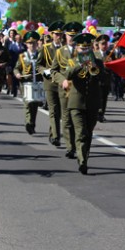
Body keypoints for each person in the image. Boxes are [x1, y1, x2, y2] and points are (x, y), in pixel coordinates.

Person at [60, 33, 103, 174]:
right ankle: (82, 160)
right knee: (81, 132)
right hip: (76, 103)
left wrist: (97, 66)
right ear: (77, 49)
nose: (85, 52)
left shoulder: (98, 61)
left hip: (93, 103)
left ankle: (83, 155)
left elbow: (105, 79)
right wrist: (81, 64)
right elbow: (68, 74)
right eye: (82, 49)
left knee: (88, 132)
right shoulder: (72, 62)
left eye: (87, 49)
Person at [51, 21, 84, 159]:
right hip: (65, 89)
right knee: (66, 118)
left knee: (78, 120)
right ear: (65, 36)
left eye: (74, 35)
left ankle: (79, 146)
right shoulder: (60, 52)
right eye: (69, 35)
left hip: (79, 90)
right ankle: (70, 147)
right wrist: (62, 80)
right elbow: (54, 71)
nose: (71, 38)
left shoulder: (83, 51)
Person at [36, 21, 65, 146]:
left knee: (61, 111)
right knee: (53, 110)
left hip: (63, 83)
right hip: (50, 83)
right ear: (52, 35)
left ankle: (52, 132)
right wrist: (44, 71)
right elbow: (38, 65)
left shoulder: (66, 49)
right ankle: (56, 136)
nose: (58, 36)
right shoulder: (46, 48)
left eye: (60, 34)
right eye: (56, 34)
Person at [14, 31, 43, 135]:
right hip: (26, 83)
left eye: (34, 43)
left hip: (37, 83)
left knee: (34, 105)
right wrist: (17, 74)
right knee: (27, 103)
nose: (32, 45)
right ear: (26, 44)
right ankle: (28, 123)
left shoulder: (40, 55)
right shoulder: (22, 56)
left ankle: (32, 124)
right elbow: (16, 68)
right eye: (30, 43)